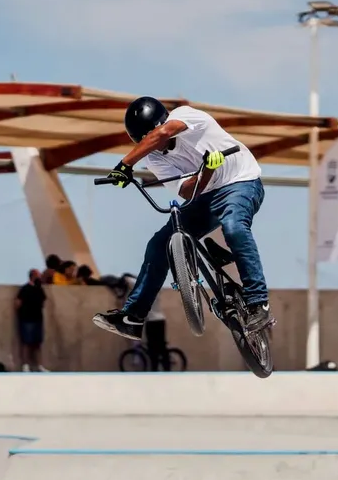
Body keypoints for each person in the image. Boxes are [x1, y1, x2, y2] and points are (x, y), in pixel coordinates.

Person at [92, 97, 273, 340]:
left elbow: (164, 131)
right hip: (205, 194)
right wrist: (207, 170)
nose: (157, 147)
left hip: (241, 182)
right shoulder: (154, 158)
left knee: (233, 227)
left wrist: (125, 165)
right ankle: (133, 317)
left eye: (154, 138)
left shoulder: (186, 116)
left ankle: (258, 302)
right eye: (147, 142)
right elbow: (187, 191)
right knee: (159, 244)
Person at [16, 268, 48, 372]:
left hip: (38, 318)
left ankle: (39, 365)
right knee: (27, 343)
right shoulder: (25, 289)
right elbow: (17, 303)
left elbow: (44, 301)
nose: (40, 277)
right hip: (27, 319)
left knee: (37, 343)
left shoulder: (39, 289)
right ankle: (25, 365)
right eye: (38, 275)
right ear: (33, 276)